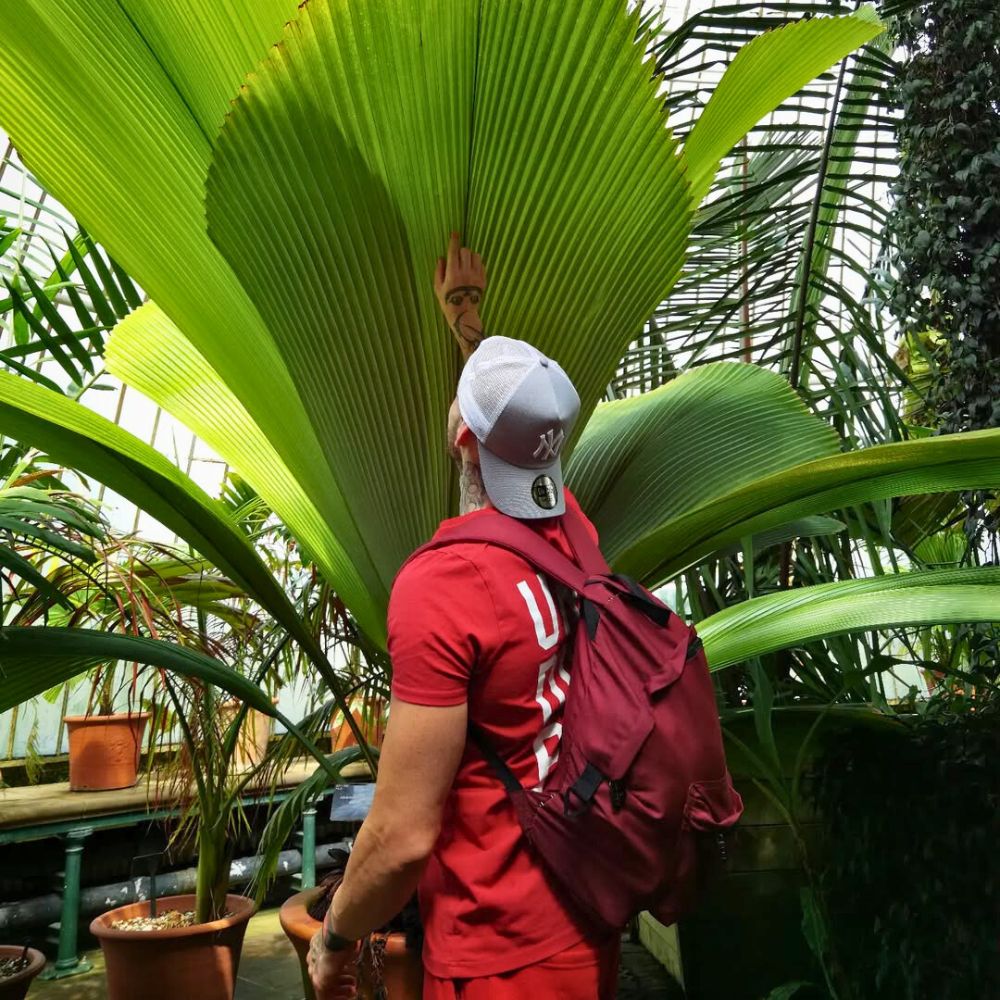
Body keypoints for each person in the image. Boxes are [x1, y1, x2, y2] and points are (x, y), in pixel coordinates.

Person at [308, 235, 620, 999]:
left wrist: (336, 936)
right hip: (586, 926)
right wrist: (466, 321)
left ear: (457, 438)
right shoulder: (574, 535)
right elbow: (494, 449)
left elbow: (403, 838)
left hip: (495, 959)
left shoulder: (441, 585)